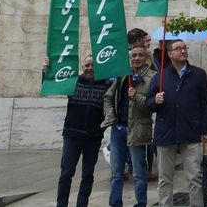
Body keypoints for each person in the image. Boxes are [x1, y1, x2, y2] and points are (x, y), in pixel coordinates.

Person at [147, 40, 207, 207]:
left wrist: (206, 131)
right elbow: (148, 104)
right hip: (165, 133)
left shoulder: (198, 75)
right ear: (169, 54)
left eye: (184, 48)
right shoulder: (160, 77)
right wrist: (155, 100)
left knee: (195, 177)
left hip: (191, 132)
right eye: (178, 49)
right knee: (165, 179)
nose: (183, 51)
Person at [46, 55, 109, 207]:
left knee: (88, 174)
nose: (90, 68)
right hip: (72, 135)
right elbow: (52, 83)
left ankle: (82, 204)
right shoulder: (73, 81)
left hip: (93, 137)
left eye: (93, 65)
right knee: (66, 172)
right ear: (82, 67)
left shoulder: (106, 85)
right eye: (87, 65)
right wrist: (47, 69)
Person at [103, 46, 154, 207]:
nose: (136, 58)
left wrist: (136, 97)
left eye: (140, 55)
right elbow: (108, 97)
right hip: (118, 129)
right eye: (134, 55)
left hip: (138, 129)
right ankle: (115, 203)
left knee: (139, 173)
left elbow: (152, 106)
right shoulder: (123, 75)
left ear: (146, 58)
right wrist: (110, 116)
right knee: (116, 173)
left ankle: (141, 203)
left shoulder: (152, 78)